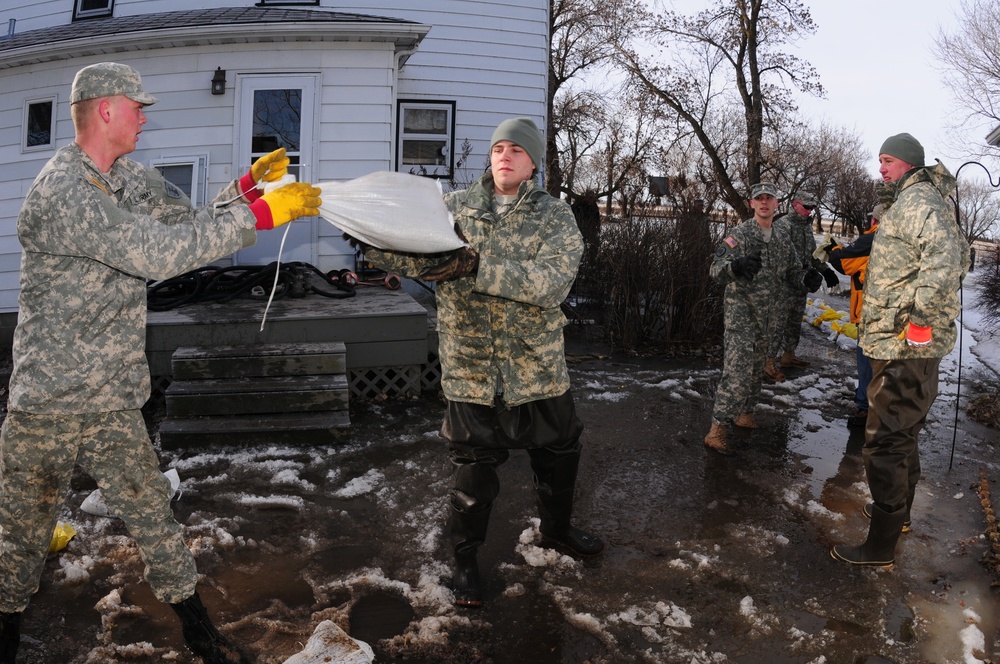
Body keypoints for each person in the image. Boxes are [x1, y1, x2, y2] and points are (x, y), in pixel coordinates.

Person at [0, 62, 322, 663]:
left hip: (110, 399)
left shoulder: (129, 179)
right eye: (136, 106)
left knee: (155, 522)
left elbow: (186, 222)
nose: (144, 116)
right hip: (46, 402)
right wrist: (257, 217)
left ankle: (202, 636)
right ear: (103, 110)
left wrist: (244, 193)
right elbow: (157, 253)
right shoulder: (62, 192)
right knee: (18, 543)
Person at [359, 117, 603, 608]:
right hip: (471, 366)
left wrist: (476, 265)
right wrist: (374, 240)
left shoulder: (554, 217)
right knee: (473, 471)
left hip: (536, 365)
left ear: (533, 162)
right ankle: (465, 561)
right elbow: (414, 255)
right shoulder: (453, 210)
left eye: (517, 149)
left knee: (558, 453)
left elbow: (551, 284)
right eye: (498, 149)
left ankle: (557, 531)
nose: (504, 156)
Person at [830, 133, 969, 568]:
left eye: (887, 160)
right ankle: (898, 515)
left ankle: (879, 548)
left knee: (886, 441)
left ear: (908, 163)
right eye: (880, 160)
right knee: (901, 433)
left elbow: (947, 263)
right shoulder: (907, 202)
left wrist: (921, 324)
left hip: (905, 344)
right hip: (895, 341)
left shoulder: (920, 202)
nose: (881, 168)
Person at [704, 183, 823, 455]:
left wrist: (807, 278)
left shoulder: (782, 239)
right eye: (759, 199)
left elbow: (793, 272)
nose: (764, 203)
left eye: (769, 198)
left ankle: (744, 414)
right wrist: (736, 266)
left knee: (758, 367)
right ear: (752, 204)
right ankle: (717, 429)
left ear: (777, 203)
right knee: (737, 371)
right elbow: (716, 270)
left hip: (768, 316)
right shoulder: (741, 235)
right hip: (742, 315)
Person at [765, 192, 840, 382]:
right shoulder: (783, 226)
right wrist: (801, 275)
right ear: (794, 204)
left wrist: (825, 270)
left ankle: (788, 355)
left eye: (812, 208)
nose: (809, 211)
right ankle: (767, 362)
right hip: (783, 286)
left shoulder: (806, 227)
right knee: (777, 324)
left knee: (794, 321)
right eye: (806, 207)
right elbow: (780, 260)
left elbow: (811, 255)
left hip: (801, 285)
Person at [820, 203, 883, 428]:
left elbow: (845, 263)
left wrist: (833, 249)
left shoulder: (872, 239)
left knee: (866, 358)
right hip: (886, 312)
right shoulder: (897, 240)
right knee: (877, 360)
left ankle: (864, 406)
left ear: (875, 221)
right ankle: (869, 399)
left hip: (870, 311)